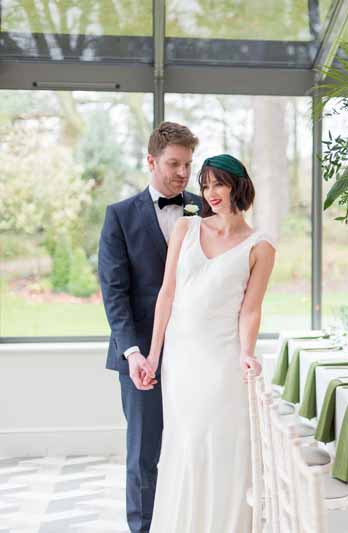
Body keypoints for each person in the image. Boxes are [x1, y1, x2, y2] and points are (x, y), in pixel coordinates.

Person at [146, 154, 276, 532]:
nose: (210, 192)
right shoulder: (185, 230)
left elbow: (250, 310)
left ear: (237, 184)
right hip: (180, 362)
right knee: (184, 443)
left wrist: (247, 352)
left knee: (218, 443)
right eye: (205, 185)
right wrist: (154, 354)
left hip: (222, 360)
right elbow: (167, 294)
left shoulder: (260, 246)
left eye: (218, 183)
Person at [99, 122, 202, 532]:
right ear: (151, 161)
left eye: (188, 165)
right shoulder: (120, 217)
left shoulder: (205, 208)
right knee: (143, 454)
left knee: (194, 445)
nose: (182, 173)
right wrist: (134, 352)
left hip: (197, 351)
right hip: (141, 356)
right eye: (173, 163)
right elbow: (115, 293)